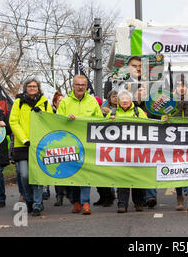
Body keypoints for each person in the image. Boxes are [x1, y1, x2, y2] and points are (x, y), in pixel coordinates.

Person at [56, 75, 103, 215]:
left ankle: (85, 202)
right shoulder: (65, 102)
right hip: (70, 143)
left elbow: (99, 120)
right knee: (73, 175)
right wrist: (66, 120)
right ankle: (75, 201)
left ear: (86, 86)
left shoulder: (93, 102)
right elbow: (57, 121)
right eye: (78, 84)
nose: (81, 87)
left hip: (87, 143)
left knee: (85, 174)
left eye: (83, 84)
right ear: (73, 85)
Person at [9, 77, 53, 216]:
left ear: (38, 88)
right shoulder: (18, 102)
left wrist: (42, 114)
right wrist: (24, 139)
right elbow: (13, 122)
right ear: (25, 88)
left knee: (37, 176)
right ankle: (29, 199)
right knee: (24, 175)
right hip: (22, 145)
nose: (32, 88)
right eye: (30, 86)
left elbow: (51, 121)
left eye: (35, 86)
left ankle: (37, 204)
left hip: (39, 145)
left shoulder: (45, 102)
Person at [163, 74, 188, 212]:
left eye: (184, 85)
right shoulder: (169, 101)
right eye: (179, 85)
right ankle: (179, 198)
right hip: (174, 139)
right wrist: (166, 118)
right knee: (177, 167)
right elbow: (163, 117)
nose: (182, 88)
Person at [107, 90, 148, 213]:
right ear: (118, 101)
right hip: (120, 152)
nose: (124, 100)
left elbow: (147, 126)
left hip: (137, 151)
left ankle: (139, 203)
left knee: (137, 177)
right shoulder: (113, 113)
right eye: (122, 98)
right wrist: (110, 121)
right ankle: (122, 204)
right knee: (122, 178)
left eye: (127, 98)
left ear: (131, 101)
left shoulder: (138, 112)